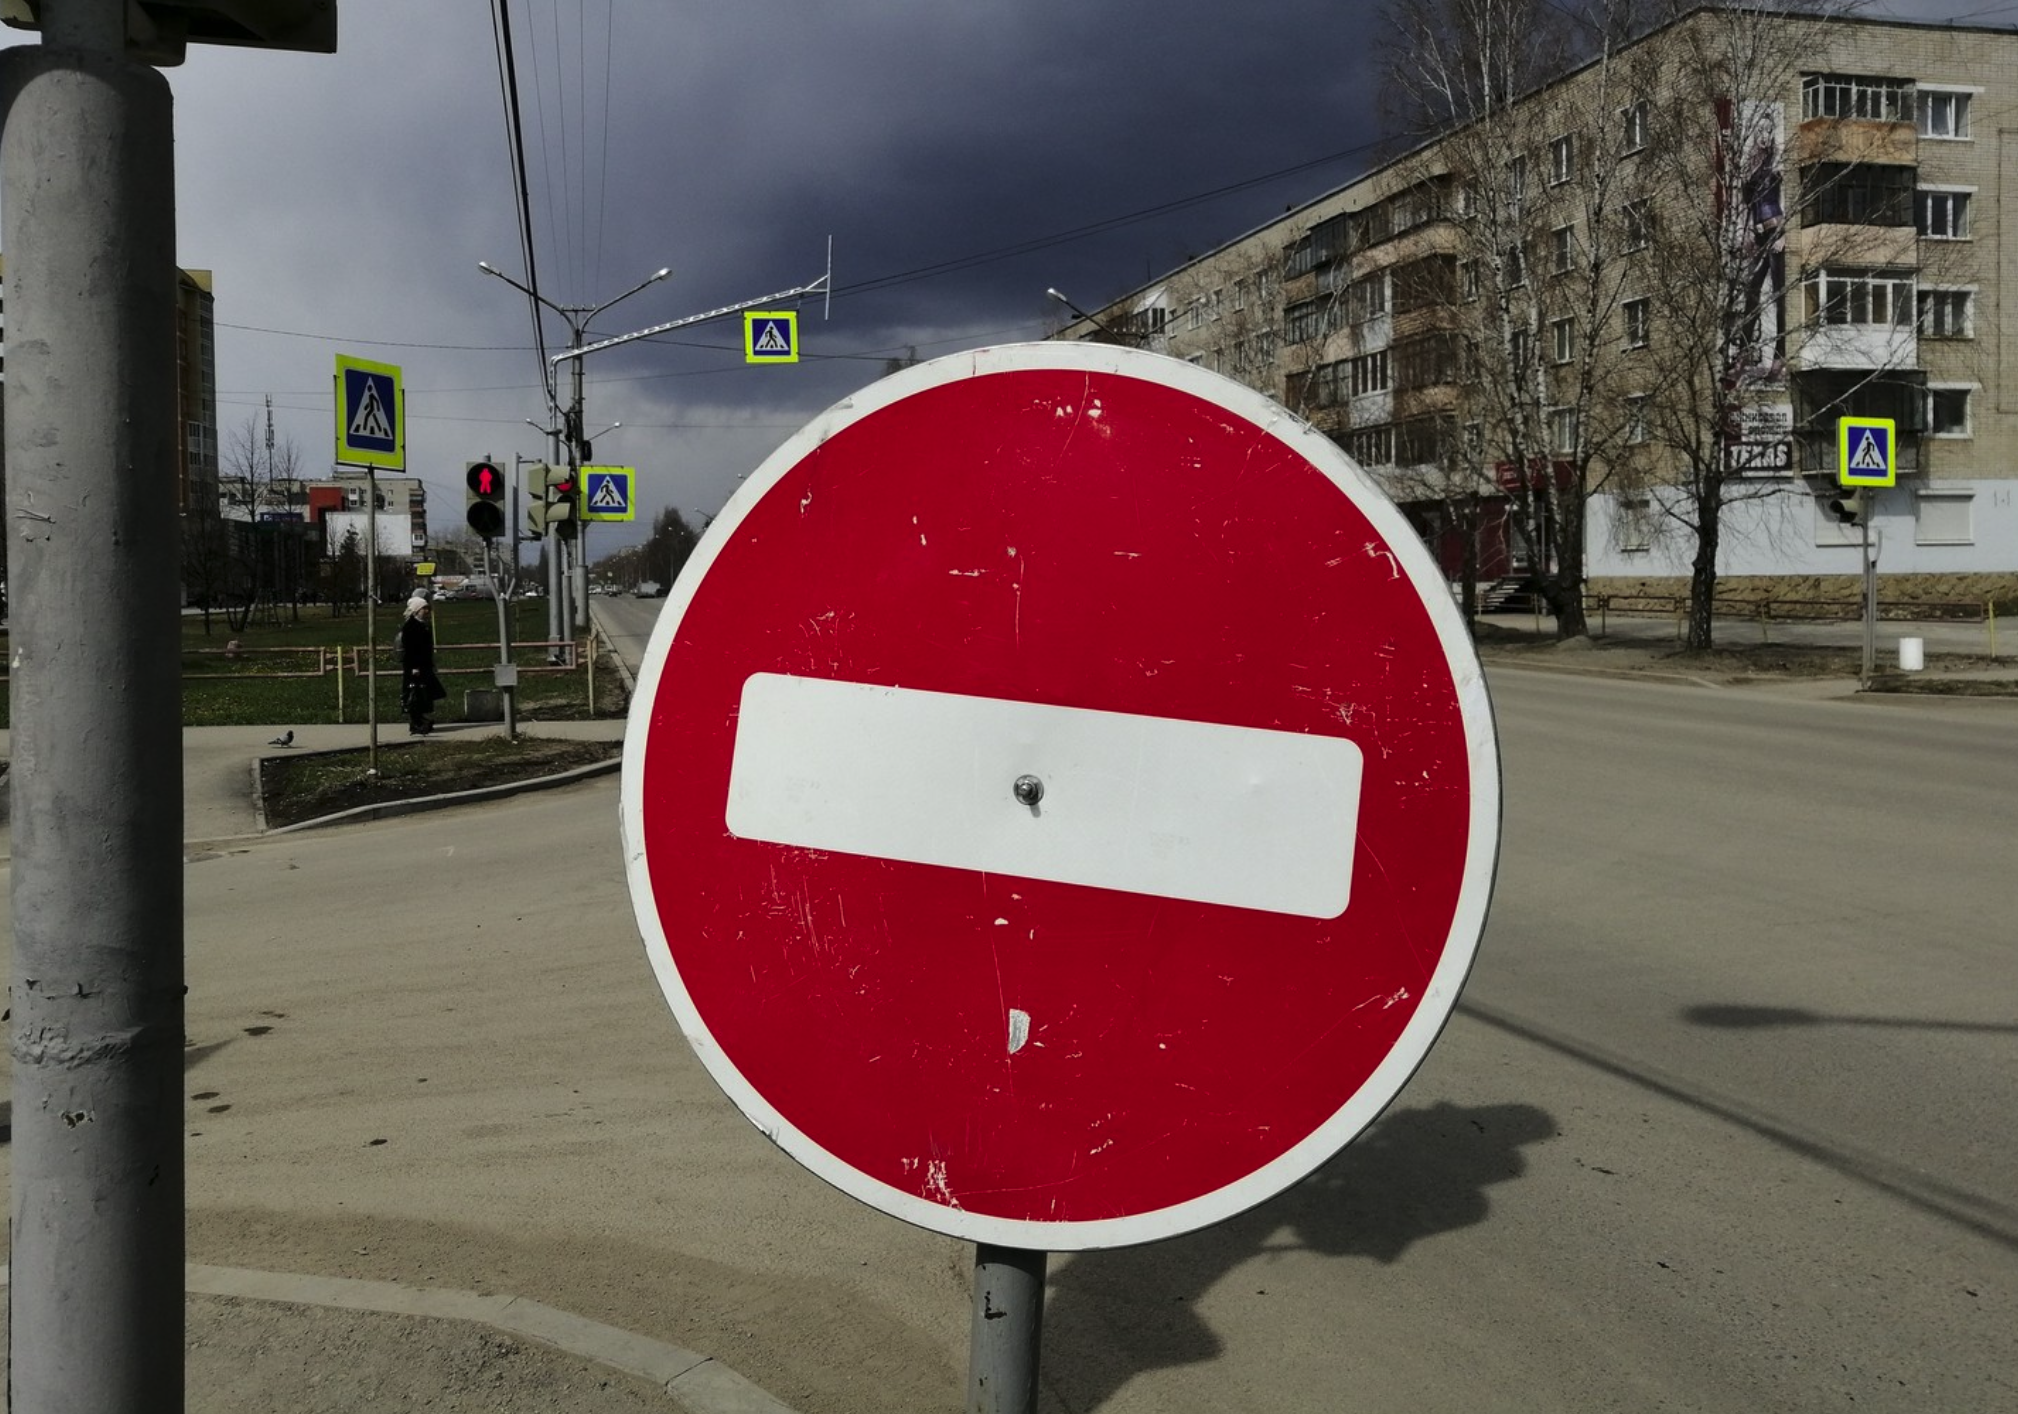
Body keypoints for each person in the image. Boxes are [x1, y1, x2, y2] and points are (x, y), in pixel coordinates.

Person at [396, 595, 445, 735]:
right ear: (417, 610)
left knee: (423, 694)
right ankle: (417, 722)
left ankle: (419, 720)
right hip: (415, 667)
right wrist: (414, 667)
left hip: (423, 666)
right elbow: (412, 649)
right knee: (415, 694)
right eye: (424, 608)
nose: (427, 611)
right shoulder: (411, 626)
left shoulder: (423, 625)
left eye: (427, 608)